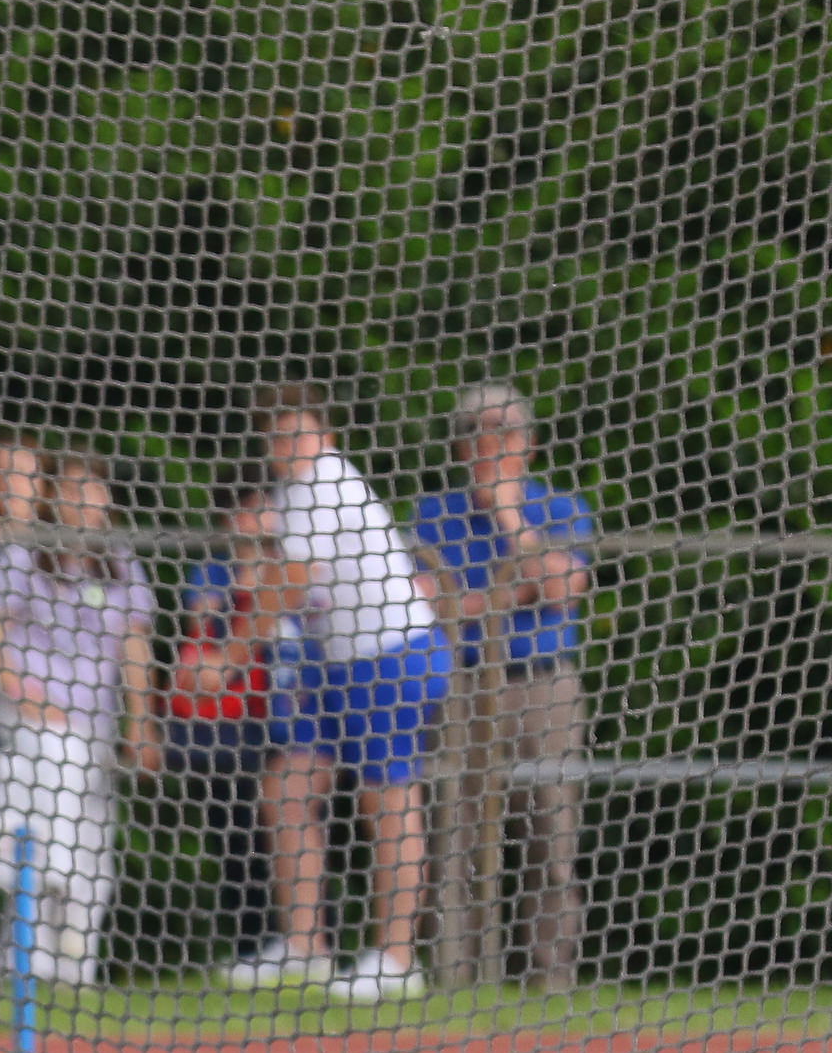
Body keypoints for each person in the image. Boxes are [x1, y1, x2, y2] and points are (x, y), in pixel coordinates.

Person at [229, 384, 450, 1003]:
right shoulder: (294, 492)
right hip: (334, 661)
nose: (289, 447)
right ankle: (306, 949)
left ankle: (397, 961)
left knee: (387, 799)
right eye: (278, 438)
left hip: (391, 654)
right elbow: (289, 582)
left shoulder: (324, 482)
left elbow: (290, 582)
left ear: (324, 435)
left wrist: (229, 658)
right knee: (288, 788)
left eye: (299, 434)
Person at [413, 380, 595, 990]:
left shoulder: (562, 509)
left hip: (543, 686)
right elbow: (427, 606)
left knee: (551, 832)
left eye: (503, 431)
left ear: (529, 443)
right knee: (454, 833)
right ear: (459, 447)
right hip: (462, 687)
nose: (489, 444)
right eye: (475, 433)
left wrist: (510, 517)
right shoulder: (432, 515)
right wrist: (514, 591)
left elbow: (562, 590)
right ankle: (452, 979)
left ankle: (551, 977)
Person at [0, 444, 156, 985]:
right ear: (52, 497)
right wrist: (25, 693)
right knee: (43, 813)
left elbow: (134, 646)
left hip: (97, 727)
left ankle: (71, 968)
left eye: (92, 487)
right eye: (70, 488)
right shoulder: (25, 555)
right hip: (30, 724)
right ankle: (35, 942)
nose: (82, 499)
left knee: (94, 845)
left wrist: (141, 722)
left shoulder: (120, 562)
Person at [163, 481, 286, 964]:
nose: (251, 520)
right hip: (234, 719)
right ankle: (253, 944)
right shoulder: (213, 572)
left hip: (289, 710)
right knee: (236, 830)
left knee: (291, 823)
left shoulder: (293, 565)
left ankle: (302, 939)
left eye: (259, 508)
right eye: (242, 511)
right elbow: (203, 642)